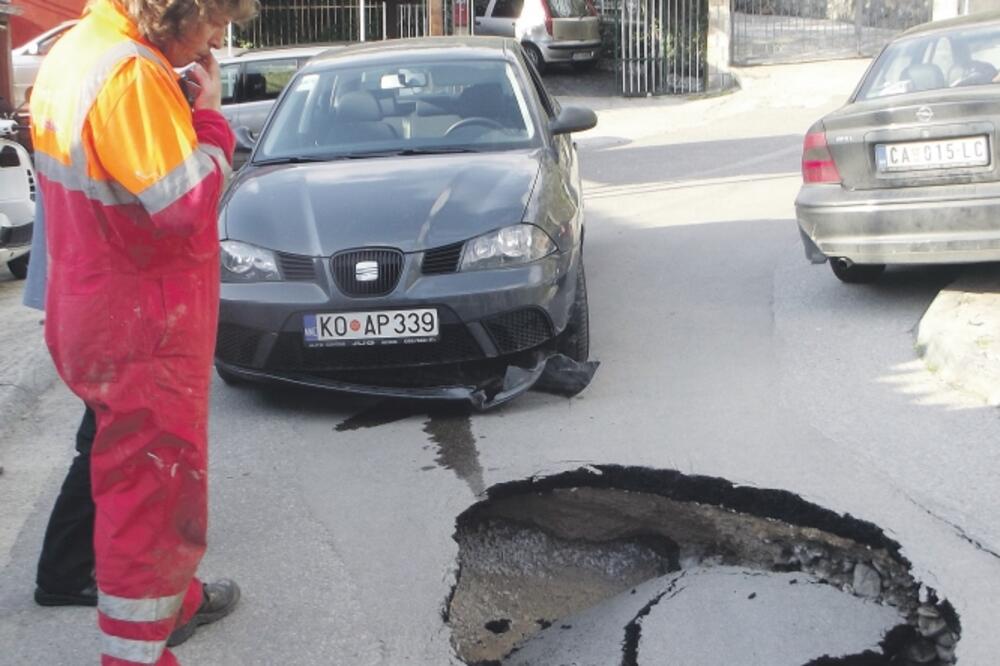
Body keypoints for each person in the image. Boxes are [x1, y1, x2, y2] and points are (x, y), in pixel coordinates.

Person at [28, 0, 257, 662]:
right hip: (142, 333)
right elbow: (184, 202)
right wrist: (211, 120)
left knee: (136, 480)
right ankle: (137, 653)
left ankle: (178, 602)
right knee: (149, 504)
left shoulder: (78, 51)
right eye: (214, 20)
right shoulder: (132, 75)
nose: (220, 37)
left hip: (98, 314)